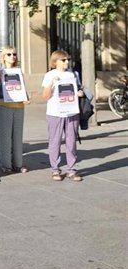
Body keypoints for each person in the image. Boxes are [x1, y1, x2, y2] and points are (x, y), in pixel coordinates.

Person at [42, 50, 84, 181]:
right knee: (55, 141)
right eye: (64, 60)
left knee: (71, 141)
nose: (67, 62)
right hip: (55, 113)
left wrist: (79, 93)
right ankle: (55, 169)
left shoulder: (72, 75)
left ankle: (71, 169)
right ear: (55, 62)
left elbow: (77, 89)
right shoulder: (50, 75)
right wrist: (51, 84)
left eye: (68, 60)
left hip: (71, 112)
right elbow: (45, 96)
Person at [0, 47, 29, 174]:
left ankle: (18, 164)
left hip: (19, 107)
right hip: (4, 106)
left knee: (18, 137)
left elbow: (22, 88)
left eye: (14, 54)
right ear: (3, 57)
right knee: (5, 137)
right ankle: (6, 165)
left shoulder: (19, 71)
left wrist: (26, 98)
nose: (12, 56)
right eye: (9, 54)